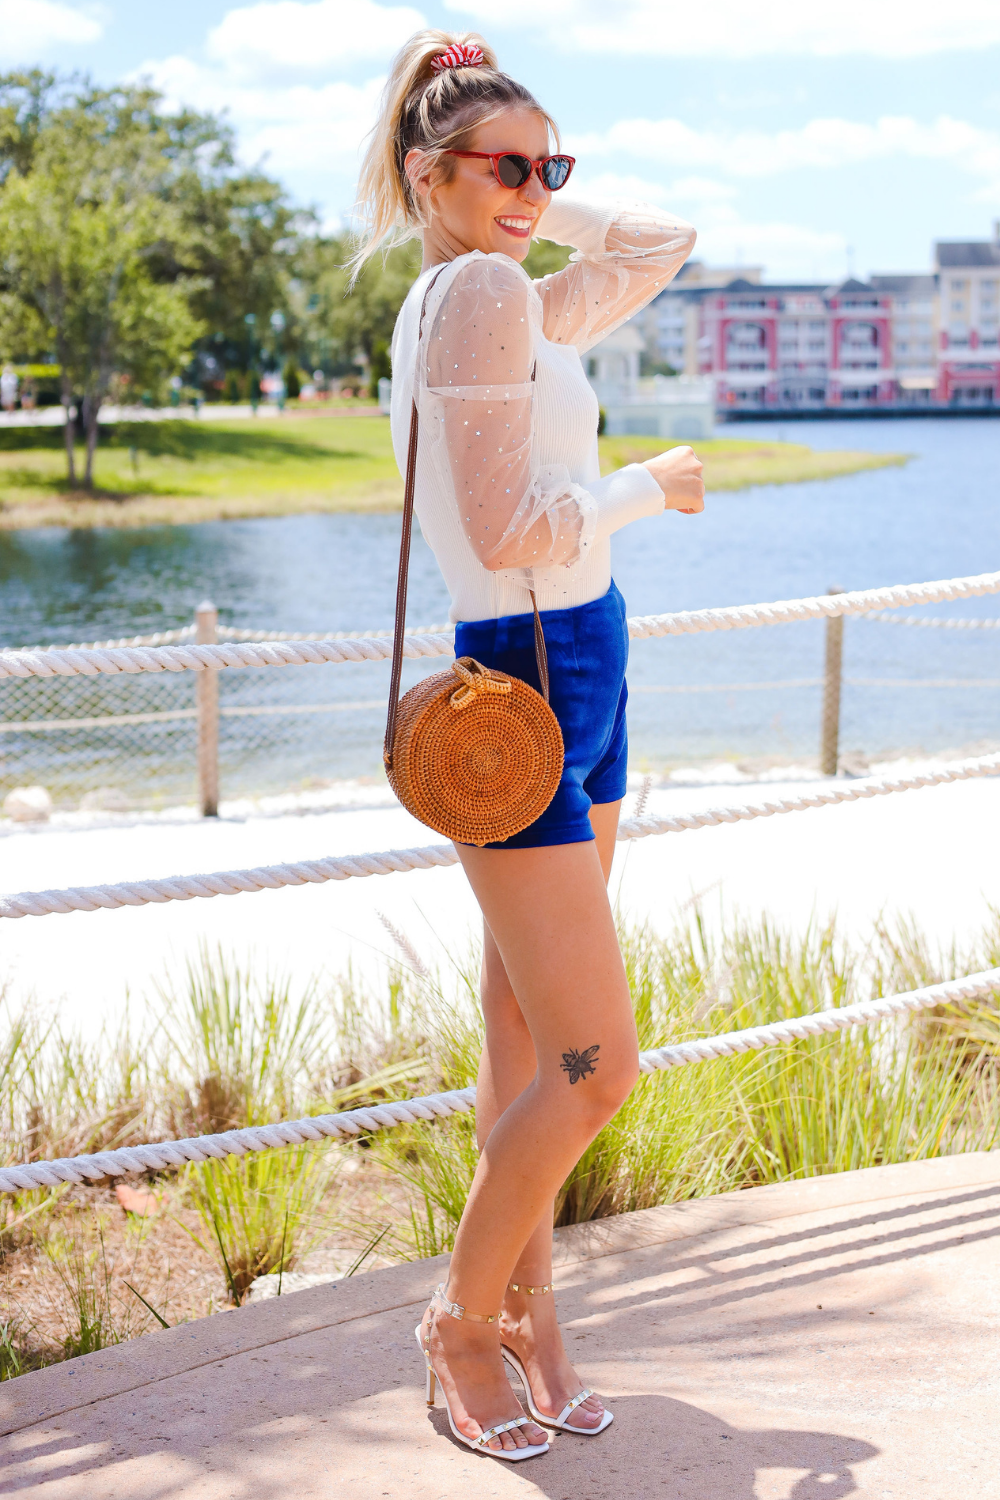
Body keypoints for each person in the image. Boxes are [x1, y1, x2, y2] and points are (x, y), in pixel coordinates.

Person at [355, 30, 705, 1462]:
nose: (538, 189)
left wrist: (523, 183)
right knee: (593, 1064)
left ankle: (532, 1317)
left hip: (581, 652)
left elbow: (661, 239)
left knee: (522, 1037)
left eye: (552, 166)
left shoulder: (483, 285)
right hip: (533, 665)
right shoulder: (482, 292)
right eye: (508, 165)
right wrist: (639, 485)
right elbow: (507, 531)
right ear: (427, 174)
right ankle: (458, 1321)